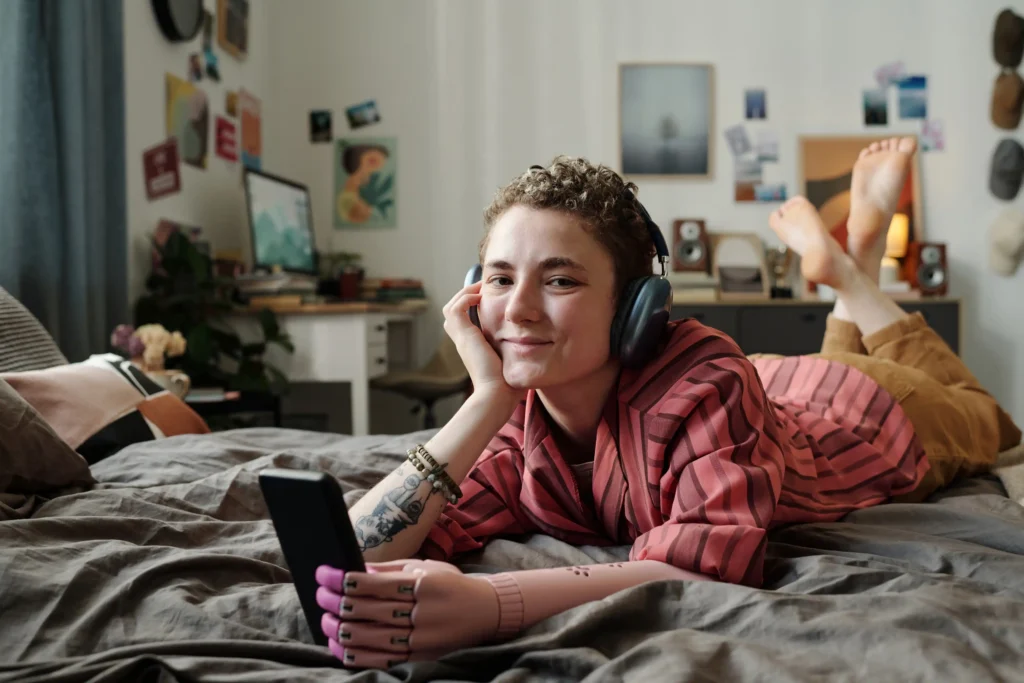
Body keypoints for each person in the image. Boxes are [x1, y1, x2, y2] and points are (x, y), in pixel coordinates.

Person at [313, 138, 1022, 669]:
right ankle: (851, 269)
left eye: (558, 279)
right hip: (770, 389)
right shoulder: (517, 414)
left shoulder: (706, 379)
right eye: (499, 278)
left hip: (865, 413)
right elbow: (344, 556)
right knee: (835, 353)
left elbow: (711, 563)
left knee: (984, 415)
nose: (517, 308)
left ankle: (852, 278)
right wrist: (484, 400)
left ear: (634, 311)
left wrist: (495, 603)